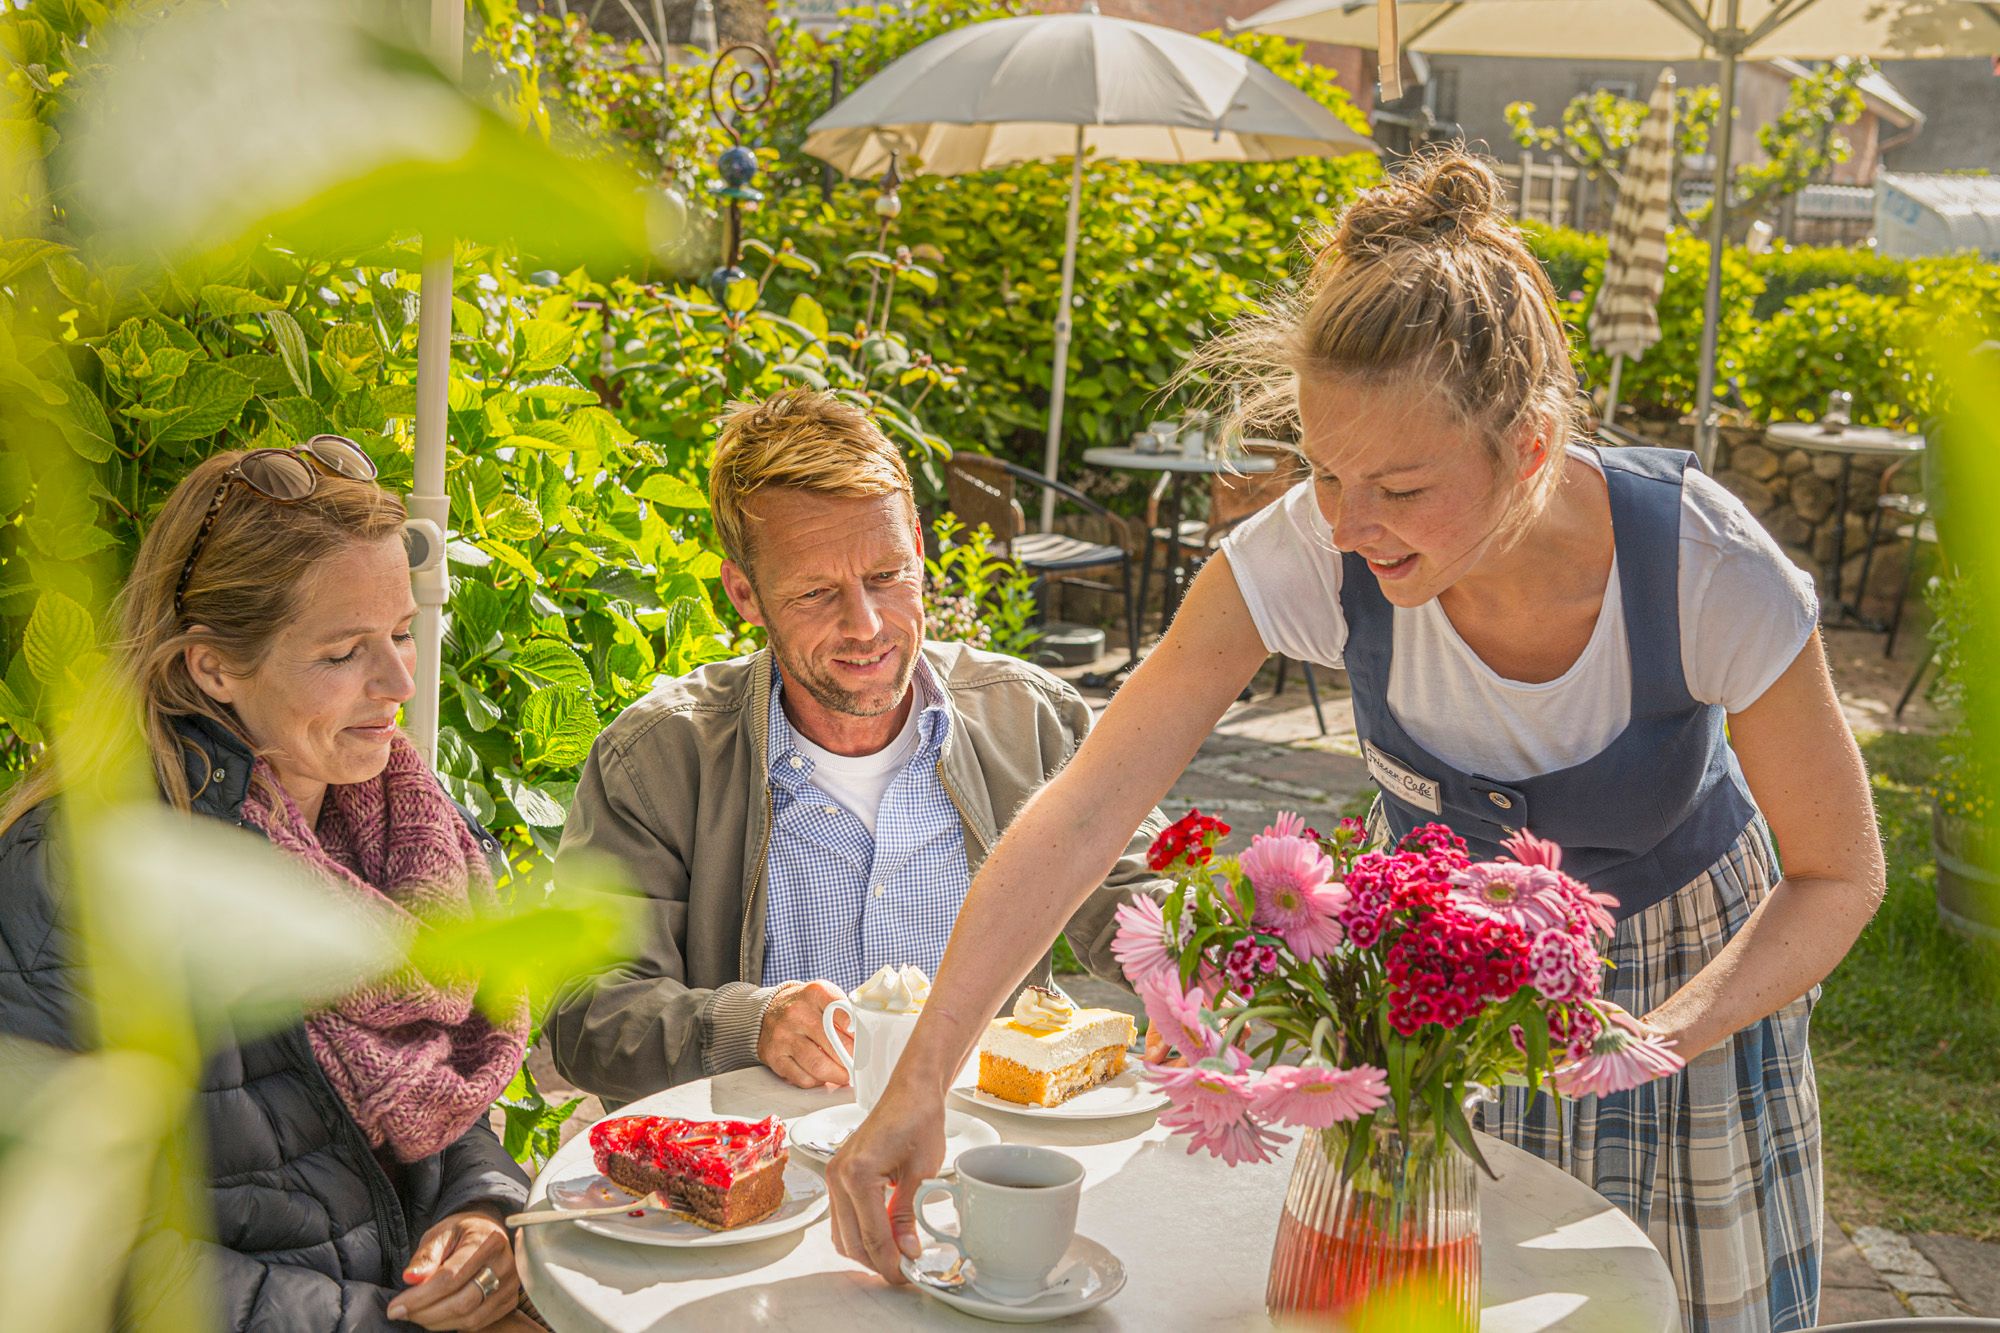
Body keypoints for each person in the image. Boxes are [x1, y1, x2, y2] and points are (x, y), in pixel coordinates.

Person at [827, 154, 1884, 1333]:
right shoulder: (1312, 552)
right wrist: (919, 1075)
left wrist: (1663, 1032)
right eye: (1323, 471)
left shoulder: (1701, 566)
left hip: (1685, 980)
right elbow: (1086, 806)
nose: (1345, 521)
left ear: (1529, 449)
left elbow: (1839, 870)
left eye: (1395, 484)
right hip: (1444, 991)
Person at [0, 439, 542, 1332]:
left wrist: (482, 1216)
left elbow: (442, 1095)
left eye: (402, 632)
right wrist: (387, 1323)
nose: (400, 682)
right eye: (342, 653)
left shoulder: (396, 818)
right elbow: (83, 1249)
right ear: (212, 667)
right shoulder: (80, 874)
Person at [544, 389, 1166, 1105]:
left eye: (886, 576)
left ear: (921, 549)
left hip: (978, 1158)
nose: (866, 624)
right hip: (760, 1181)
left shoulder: (1032, 722)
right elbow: (585, 1011)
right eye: (816, 593)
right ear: (746, 594)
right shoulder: (656, 760)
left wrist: (1210, 972)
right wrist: (753, 1022)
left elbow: (1136, 897)